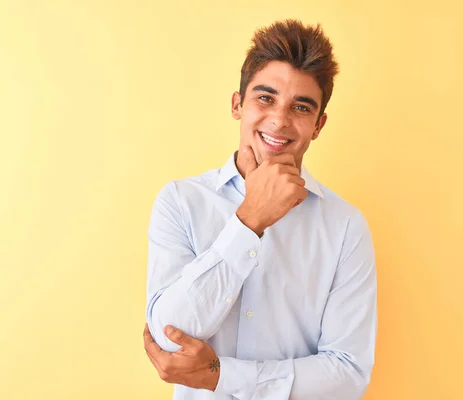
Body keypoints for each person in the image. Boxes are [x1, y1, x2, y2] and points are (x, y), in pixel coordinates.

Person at [143, 19, 377, 400]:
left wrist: (222, 376)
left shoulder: (346, 227)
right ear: (238, 104)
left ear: (318, 125)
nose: (280, 120)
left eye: (300, 107)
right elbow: (169, 338)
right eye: (265, 98)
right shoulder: (181, 202)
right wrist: (249, 220)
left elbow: (348, 375)